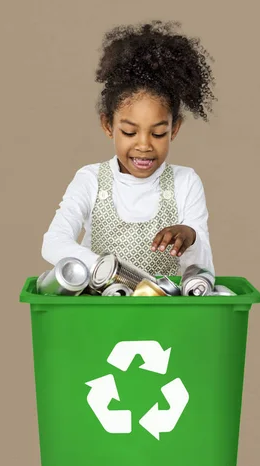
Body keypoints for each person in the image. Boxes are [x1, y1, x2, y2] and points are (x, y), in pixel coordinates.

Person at [41, 21, 217, 278]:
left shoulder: (185, 183)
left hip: (165, 316)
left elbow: (201, 272)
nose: (144, 145)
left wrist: (191, 237)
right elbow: (53, 242)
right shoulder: (91, 181)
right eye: (129, 132)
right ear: (108, 125)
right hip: (101, 313)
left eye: (158, 133)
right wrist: (110, 270)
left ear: (174, 129)